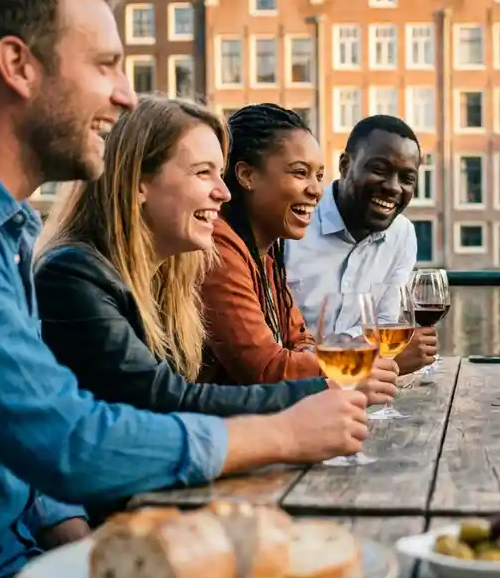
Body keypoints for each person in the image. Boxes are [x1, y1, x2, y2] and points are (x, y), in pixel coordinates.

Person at [0, 0, 365, 578]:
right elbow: (70, 439)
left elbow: (20, 450)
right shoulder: (21, 254)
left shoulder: (5, 235)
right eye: (105, 66)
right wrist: (286, 433)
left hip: (25, 565)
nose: (125, 95)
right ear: (17, 65)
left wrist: (75, 549)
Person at [34, 96, 397, 413]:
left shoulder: (173, 272)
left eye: (219, 174)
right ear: (139, 182)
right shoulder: (73, 275)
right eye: (203, 173)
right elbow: (164, 399)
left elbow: (295, 338)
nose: (223, 193)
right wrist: (326, 388)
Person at [198, 102, 398, 395]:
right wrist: (354, 371)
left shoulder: (267, 252)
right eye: (300, 173)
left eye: (319, 176)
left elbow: (299, 338)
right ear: (247, 176)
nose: (316, 190)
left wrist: (309, 359)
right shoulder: (218, 246)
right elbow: (265, 368)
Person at [285, 114, 436, 373]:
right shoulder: (293, 222)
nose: (393, 188)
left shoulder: (403, 235)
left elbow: (387, 322)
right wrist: (377, 358)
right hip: (294, 391)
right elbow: (275, 343)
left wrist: (350, 353)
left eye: (407, 178)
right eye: (379, 170)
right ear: (345, 165)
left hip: (356, 389)